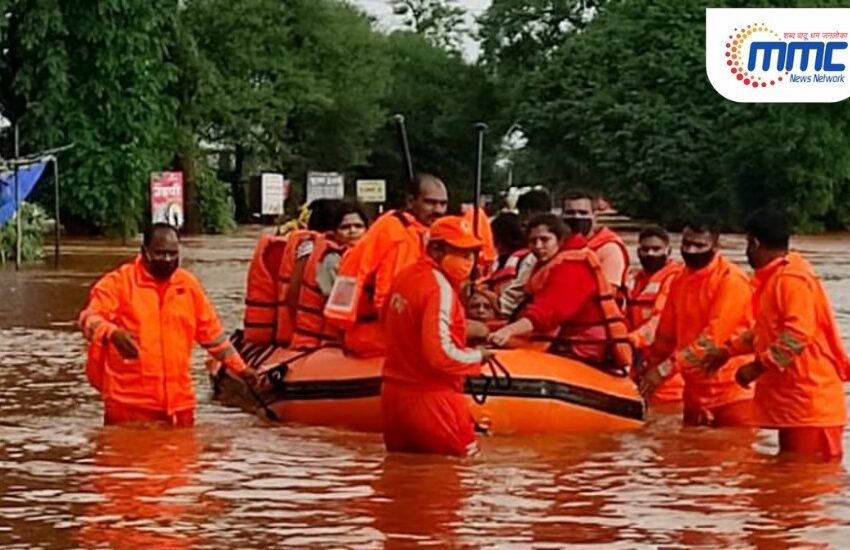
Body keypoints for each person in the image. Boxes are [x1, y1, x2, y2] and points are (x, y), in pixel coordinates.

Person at [78, 223, 257, 426]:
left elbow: (214, 337)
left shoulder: (188, 286)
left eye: (173, 254)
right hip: (130, 408)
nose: (167, 260)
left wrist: (242, 370)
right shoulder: (118, 283)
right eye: (160, 254)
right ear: (144, 252)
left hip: (179, 407)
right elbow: (88, 319)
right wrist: (112, 333)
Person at [706, 208, 849, 458]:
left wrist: (756, 367)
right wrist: (727, 351)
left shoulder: (791, 280)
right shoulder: (775, 279)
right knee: (787, 484)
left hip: (810, 405)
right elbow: (764, 332)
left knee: (804, 485)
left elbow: (796, 337)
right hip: (796, 405)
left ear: (755, 243)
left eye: (747, 243)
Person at [381, 216, 490, 456]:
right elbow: (439, 353)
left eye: (470, 254)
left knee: (401, 481)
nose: (467, 262)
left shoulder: (404, 276)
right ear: (436, 249)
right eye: (460, 252)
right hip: (433, 401)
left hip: (393, 401)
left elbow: (385, 324)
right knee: (461, 478)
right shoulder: (439, 288)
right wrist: (477, 357)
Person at [639, 220, 754, 427]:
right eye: (687, 244)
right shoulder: (680, 280)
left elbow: (711, 341)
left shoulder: (732, 280)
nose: (691, 251)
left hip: (732, 391)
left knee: (734, 455)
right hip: (693, 391)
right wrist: (649, 370)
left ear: (715, 247)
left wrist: (664, 370)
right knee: (689, 455)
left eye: (699, 246)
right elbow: (666, 336)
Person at [488, 214, 632, 374]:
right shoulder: (552, 263)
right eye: (533, 241)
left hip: (582, 345)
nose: (538, 246)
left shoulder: (573, 267)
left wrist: (508, 331)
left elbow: (548, 311)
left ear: (560, 239)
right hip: (564, 338)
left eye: (544, 240)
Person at [324, 173, 448, 356]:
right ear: (410, 201)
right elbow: (390, 301)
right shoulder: (400, 237)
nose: (438, 210)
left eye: (443, 204)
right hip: (372, 334)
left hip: (366, 330)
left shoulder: (401, 227)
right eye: (430, 203)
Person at [290, 200, 369, 350]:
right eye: (345, 227)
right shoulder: (331, 260)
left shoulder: (372, 257)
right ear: (335, 233)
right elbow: (337, 307)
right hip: (330, 341)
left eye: (358, 226)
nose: (353, 231)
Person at [626, 225, 684, 403]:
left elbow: (660, 321)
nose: (650, 254)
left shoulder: (675, 279)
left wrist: (630, 339)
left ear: (669, 251)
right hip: (640, 366)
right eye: (645, 249)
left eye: (656, 249)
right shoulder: (634, 281)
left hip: (670, 374)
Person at [562, 189, 629, 294]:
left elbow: (609, 292)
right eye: (570, 213)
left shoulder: (609, 248)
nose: (576, 217)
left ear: (594, 216)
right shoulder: (556, 245)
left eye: (583, 213)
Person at [498, 189, 552, 317]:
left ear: (527, 213)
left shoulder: (532, 256)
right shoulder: (560, 248)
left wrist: (494, 306)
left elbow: (513, 296)